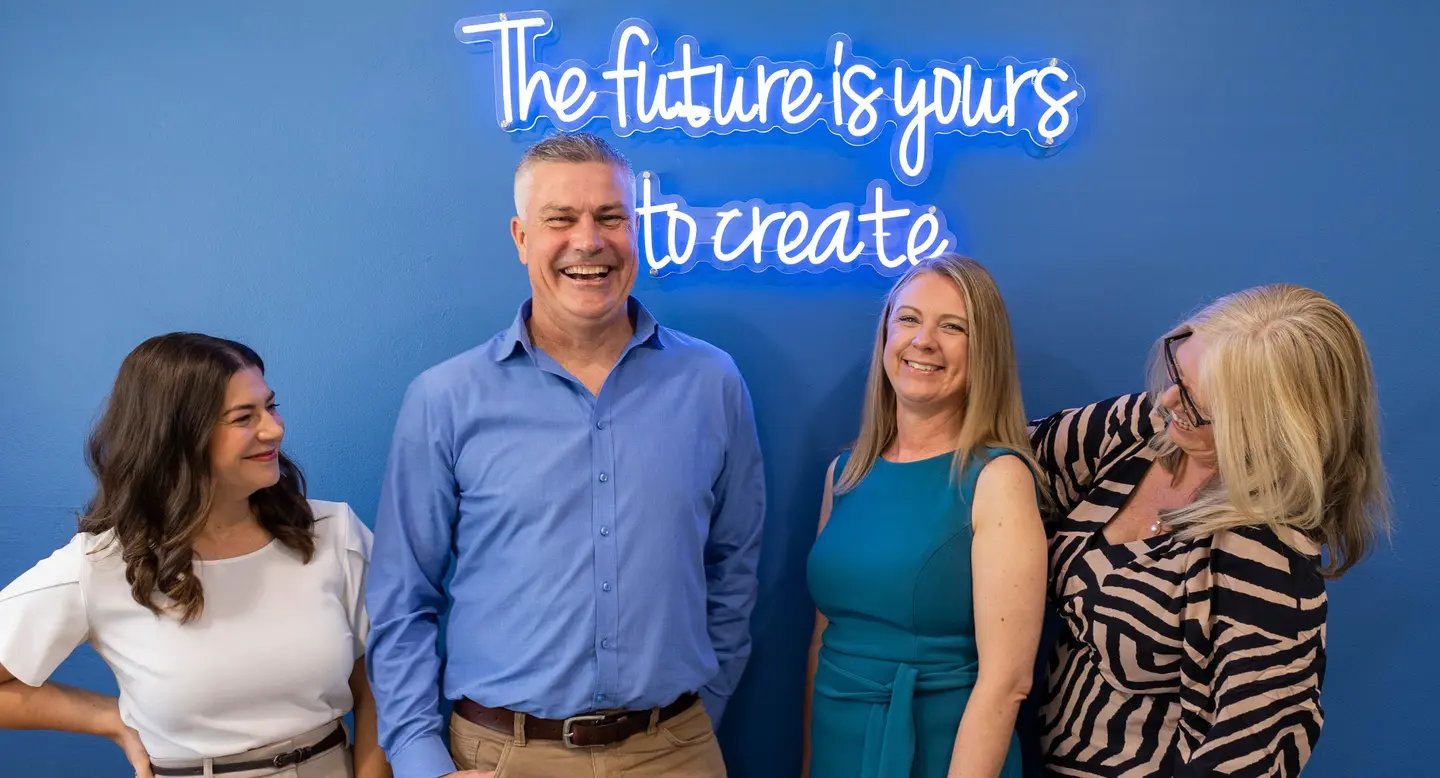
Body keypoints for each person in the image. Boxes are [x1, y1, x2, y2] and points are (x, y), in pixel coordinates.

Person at [365, 131, 766, 778]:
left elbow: (734, 566)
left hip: (676, 752)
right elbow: (402, 599)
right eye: (561, 220)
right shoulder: (445, 400)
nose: (589, 241)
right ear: (522, 238)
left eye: (611, 217)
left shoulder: (712, 383)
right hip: (502, 760)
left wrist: (697, 717)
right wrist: (421, 763)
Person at [1026, 284, 1390, 777]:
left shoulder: (1270, 556)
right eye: (1179, 372)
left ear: (1266, 427)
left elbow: (1253, 752)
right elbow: (1009, 461)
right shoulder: (1150, 427)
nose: (1169, 399)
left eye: (1198, 403)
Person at [0, 332, 388, 778]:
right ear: (176, 436)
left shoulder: (333, 534)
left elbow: (380, 679)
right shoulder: (101, 566)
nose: (274, 428)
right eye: (245, 417)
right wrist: (111, 720)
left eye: (271, 407)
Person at [803, 254, 1048, 778]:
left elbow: (1008, 683)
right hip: (836, 747)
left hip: (944, 755)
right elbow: (823, 637)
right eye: (909, 319)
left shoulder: (998, 478)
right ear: (887, 333)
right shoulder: (844, 473)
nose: (924, 341)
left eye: (953, 327)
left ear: (984, 352)